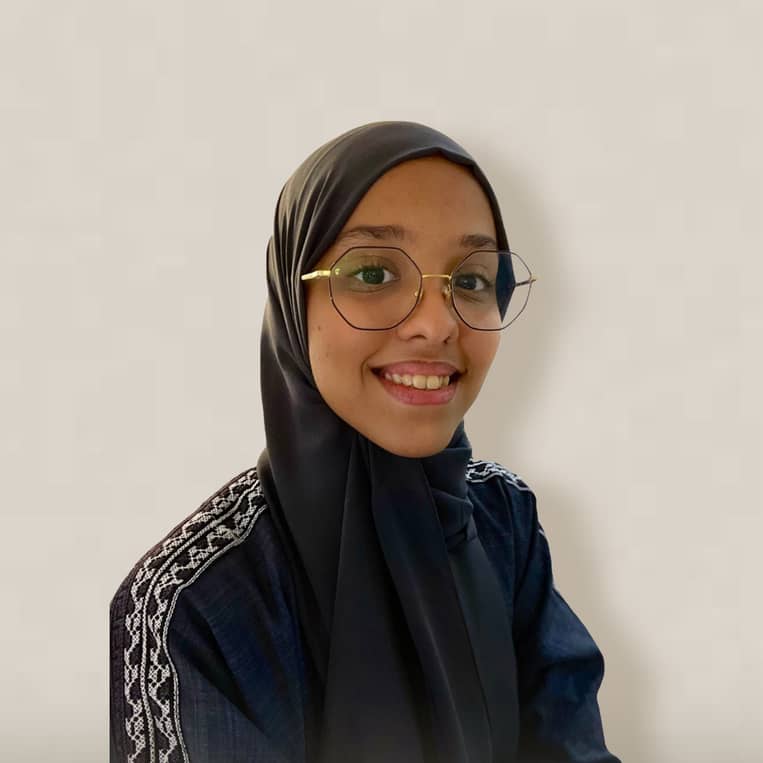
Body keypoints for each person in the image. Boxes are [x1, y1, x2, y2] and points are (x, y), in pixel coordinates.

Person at [109, 120, 620, 763]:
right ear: (292, 297)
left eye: (470, 281)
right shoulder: (188, 607)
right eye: (374, 274)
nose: (436, 324)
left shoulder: (503, 523)